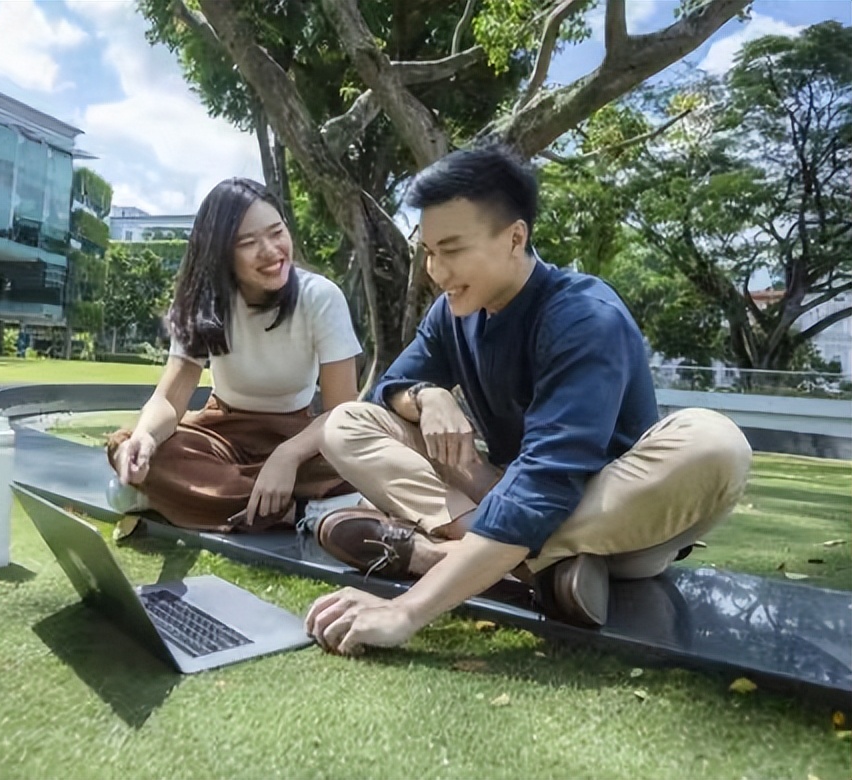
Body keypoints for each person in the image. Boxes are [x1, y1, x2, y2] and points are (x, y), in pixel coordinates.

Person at [305, 145, 752, 654]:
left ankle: (435, 557)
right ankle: (524, 566)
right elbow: (392, 384)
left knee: (717, 444)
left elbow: (548, 478)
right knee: (347, 423)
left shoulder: (584, 316)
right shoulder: (453, 313)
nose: (435, 270)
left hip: (610, 522)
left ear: (515, 237)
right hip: (501, 494)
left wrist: (407, 609)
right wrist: (429, 397)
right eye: (428, 252)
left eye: (451, 249)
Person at [106, 178, 362, 531]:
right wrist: (146, 439)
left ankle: (176, 498)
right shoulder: (201, 301)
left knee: (362, 464)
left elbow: (341, 413)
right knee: (128, 444)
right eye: (248, 242)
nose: (271, 251)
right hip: (223, 433)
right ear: (220, 252)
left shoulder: (320, 297)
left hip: (300, 436)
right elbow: (169, 399)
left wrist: (286, 457)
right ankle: (297, 512)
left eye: (276, 233)